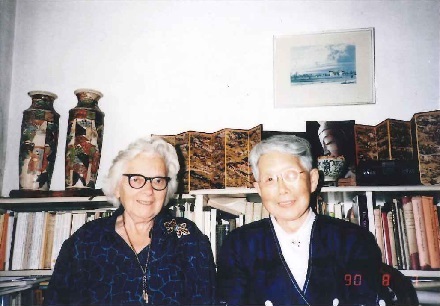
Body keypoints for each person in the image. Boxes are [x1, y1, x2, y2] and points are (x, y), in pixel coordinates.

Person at [216, 134, 387, 306]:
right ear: (259, 189)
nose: (282, 190)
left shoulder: (353, 240)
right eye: (270, 179)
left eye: (291, 175)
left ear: (313, 180)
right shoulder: (239, 245)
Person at [44, 137, 216, 305]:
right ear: (117, 187)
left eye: (158, 180)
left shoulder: (187, 238)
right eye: (136, 179)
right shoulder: (86, 241)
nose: (149, 190)